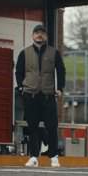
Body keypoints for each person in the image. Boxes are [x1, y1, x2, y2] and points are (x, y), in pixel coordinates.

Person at [15, 24, 66, 167]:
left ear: (46, 36)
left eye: (42, 33)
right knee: (33, 127)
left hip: (48, 95)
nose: (39, 35)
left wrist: (60, 88)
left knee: (52, 127)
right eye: (37, 33)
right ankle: (33, 157)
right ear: (32, 36)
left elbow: (61, 70)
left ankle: (54, 156)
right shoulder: (24, 53)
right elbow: (18, 71)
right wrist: (20, 87)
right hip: (30, 95)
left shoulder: (53, 52)